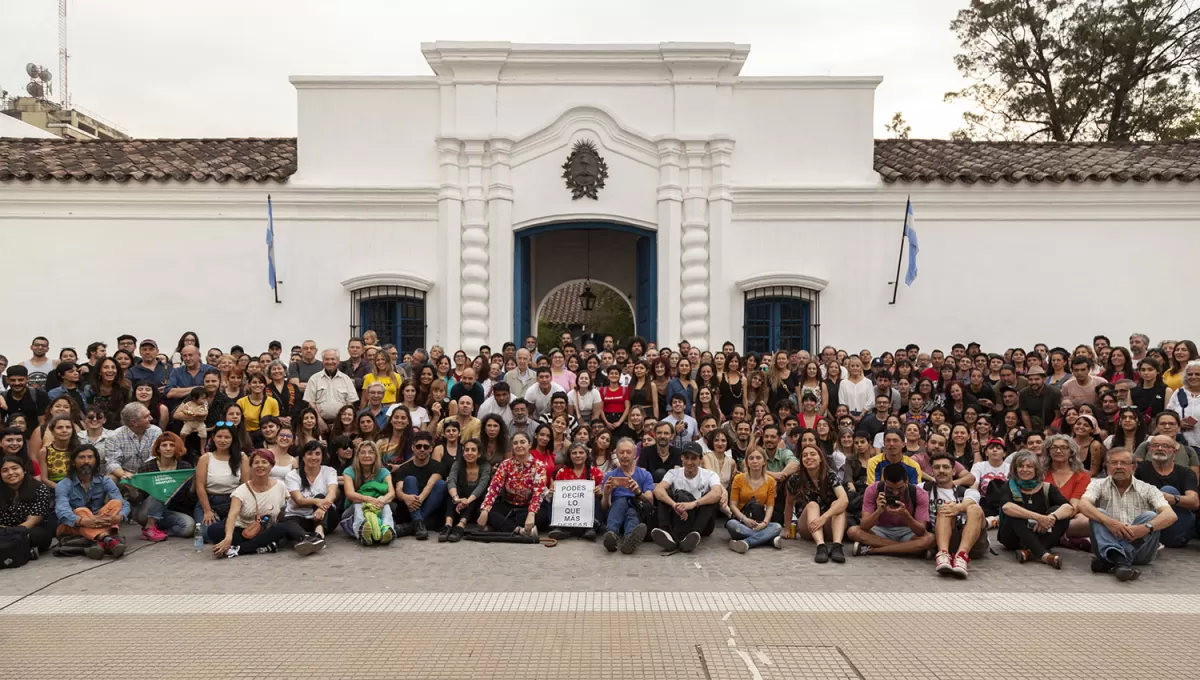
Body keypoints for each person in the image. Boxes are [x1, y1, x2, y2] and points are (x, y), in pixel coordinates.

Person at [1078, 448, 1178, 581]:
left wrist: (1145, 528)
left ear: (1133, 467)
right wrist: (1109, 522)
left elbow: (1170, 515)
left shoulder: (1148, 489)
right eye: (1114, 463)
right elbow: (1083, 504)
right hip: (1107, 544)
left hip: (1140, 550)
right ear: (1107, 466)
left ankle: (1113, 561)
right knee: (1098, 513)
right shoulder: (1098, 485)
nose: (1118, 467)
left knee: (1150, 516)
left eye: (1124, 463)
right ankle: (1120, 562)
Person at [210, 449, 308, 558]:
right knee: (214, 530)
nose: (260, 465)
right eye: (256, 463)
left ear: (271, 466)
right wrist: (228, 538)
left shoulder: (280, 486)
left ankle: (239, 549)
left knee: (281, 528)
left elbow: (281, 513)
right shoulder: (241, 490)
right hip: (242, 530)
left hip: (265, 530)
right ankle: (262, 547)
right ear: (251, 467)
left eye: (264, 462)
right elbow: (232, 515)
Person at [994, 451, 1073, 569]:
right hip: (1013, 537)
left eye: (1029, 466)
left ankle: (1030, 552)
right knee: (1016, 512)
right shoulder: (1009, 486)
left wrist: (1051, 518)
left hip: (1040, 533)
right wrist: (1038, 518)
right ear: (1015, 469)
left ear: (1036, 469)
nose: (1024, 469)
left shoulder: (1047, 487)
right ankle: (1045, 556)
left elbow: (1069, 508)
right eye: (1021, 466)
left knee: (1059, 511)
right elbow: (1007, 507)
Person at [54, 445, 130, 559]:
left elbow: (124, 504)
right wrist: (81, 520)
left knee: (116, 503)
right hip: (73, 526)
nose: (86, 461)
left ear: (96, 461)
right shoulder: (64, 485)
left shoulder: (105, 481)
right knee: (81, 510)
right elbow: (62, 510)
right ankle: (106, 539)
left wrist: (119, 517)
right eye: (81, 457)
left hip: (99, 520)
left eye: (90, 457)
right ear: (74, 462)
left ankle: (99, 543)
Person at [846, 462, 934, 557]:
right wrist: (878, 511)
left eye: (900, 488)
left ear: (907, 481)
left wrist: (906, 515)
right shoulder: (873, 489)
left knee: (930, 538)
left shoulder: (920, 494)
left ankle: (873, 550)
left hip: (908, 531)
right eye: (890, 489)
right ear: (885, 481)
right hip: (880, 530)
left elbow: (921, 531)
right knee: (853, 531)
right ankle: (910, 549)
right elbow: (864, 526)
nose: (895, 493)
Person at [651, 441, 722, 554]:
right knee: (665, 495)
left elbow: (717, 493)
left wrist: (693, 504)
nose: (689, 462)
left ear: (700, 459)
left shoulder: (709, 475)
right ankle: (666, 533)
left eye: (693, 458)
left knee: (710, 499)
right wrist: (674, 505)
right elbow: (658, 490)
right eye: (686, 458)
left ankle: (693, 535)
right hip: (679, 515)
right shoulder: (673, 473)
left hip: (700, 519)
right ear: (681, 458)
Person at [783, 445, 849, 562]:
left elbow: (844, 499)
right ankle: (821, 546)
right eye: (805, 455)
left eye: (813, 454)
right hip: (808, 526)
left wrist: (824, 517)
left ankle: (837, 546)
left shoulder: (830, 475)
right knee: (813, 504)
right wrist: (787, 529)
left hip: (828, 524)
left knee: (837, 504)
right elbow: (789, 504)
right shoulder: (795, 479)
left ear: (820, 458)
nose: (808, 457)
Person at [925, 452, 986, 578]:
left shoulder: (967, 491)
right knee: (945, 508)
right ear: (931, 471)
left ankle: (962, 556)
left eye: (946, 467)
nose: (941, 470)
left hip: (973, 542)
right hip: (943, 537)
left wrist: (957, 507)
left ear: (953, 471)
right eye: (937, 467)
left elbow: (971, 500)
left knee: (974, 508)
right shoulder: (923, 488)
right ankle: (943, 555)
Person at [1134, 434, 1199, 549]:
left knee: (1168, 490)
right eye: (1156, 445)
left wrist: (1173, 499)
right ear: (1149, 450)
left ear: (1174, 452)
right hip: (1146, 523)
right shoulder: (1140, 468)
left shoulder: (1185, 473)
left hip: (1175, 530)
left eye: (1165, 446)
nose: (1160, 449)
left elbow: (1194, 501)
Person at [478, 431, 546, 537]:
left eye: (522, 442)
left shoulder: (538, 466)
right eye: (515, 443)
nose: (519, 446)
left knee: (542, 516)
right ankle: (519, 530)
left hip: (527, 507)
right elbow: (494, 488)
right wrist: (485, 510)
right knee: (486, 511)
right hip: (509, 506)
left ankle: (502, 527)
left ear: (530, 444)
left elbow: (538, 493)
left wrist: (531, 513)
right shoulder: (505, 464)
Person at [132, 432, 196, 542]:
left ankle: (159, 531)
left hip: (169, 513)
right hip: (145, 513)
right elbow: (138, 499)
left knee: (188, 527)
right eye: (164, 445)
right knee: (162, 488)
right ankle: (150, 527)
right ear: (158, 449)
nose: (168, 448)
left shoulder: (184, 467)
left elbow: (187, 499)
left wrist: (194, 482)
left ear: (177, 448)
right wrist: (131, 488)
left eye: (172, 445)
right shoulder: (147, 467)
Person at [283, 440, 340, 554]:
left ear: (322, 456)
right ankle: (306, 539)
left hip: (327, 517)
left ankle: (319, 534)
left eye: (317, 454)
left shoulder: (329, 471)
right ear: (303, 457)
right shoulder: (293, 475)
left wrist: (321, 507)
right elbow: (299, 500)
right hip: (301, 517)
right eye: (309, 454)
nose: (314, 457)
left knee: (320, 495)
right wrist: (317, 502)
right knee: (286, 523)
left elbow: (332, 494)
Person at [193, 423, 248, 542]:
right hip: (210, 501)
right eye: (219, 436)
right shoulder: (205, 458)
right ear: (213, 437)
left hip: (233, 501)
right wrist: (207, 511)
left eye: (227, 437)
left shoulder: (241, 457)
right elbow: (200, 487)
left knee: (236, 529)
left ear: (233, 439)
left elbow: (245, 486)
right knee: (207, 535)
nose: (223, 440)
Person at [600, 437, 653, 554]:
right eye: (621, 452)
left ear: (635, 454)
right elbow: (604, 507)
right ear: (617, 455)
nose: (624, 455)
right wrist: (606, 493)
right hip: (615, 512)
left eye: (628, 452)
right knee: (621, 501)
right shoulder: (609, 476)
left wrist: (638, 492)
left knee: (631, 512)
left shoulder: (645, 475)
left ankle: (629, 538)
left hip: (636, 507)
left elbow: (649, 499)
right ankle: (612, 534)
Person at [725, 447, 783, 553]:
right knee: (731, 524)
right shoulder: (739, 478)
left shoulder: (770, 481)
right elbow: (733, 505)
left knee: (777, 527)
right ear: (747, 461)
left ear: (764, 461)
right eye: (751, 458)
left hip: (760, 522)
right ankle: (768, 539)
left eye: (758, 458)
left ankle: (747, 543)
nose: (755, 461)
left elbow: (770, 506)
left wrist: (765, 523)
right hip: (742, 521)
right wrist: (744, 519)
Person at [391, 431, 447, 540]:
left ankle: (414, 524)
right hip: (408, 509)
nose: (422, 449)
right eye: (418, 446)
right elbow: (398, 490)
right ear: (413, 448)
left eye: (426, 447)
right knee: (410, 480)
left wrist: (418, 500)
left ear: (431, 449)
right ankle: (419, 523)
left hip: (429, 508)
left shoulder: (438, 466)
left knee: (441, 484)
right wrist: (406, 497)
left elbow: (430, 485)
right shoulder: (404, 468)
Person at [340, 440, 397, 546]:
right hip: (351, 515)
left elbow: (391, 493)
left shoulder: (384, 472)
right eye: (363, 452)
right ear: (357, 455)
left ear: (376, 455)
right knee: (358, 502)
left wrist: (381, 500)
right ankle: (362, 531)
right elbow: (350, 494)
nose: (367, 455)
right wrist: (369, 499)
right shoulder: (349, 471)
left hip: (377, 509)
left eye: (370, 452)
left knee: (385, 502)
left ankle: (386, 529)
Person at [0, 455, 56, 557]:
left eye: (15, 468)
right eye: (5, 470)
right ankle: (22, 552)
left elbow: (33, 521)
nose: (11, 473)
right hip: (4, 532)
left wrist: (11, 533)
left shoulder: (39, 488)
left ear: (24, 470)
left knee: (36, 536)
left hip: (30, 530)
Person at [549, 442, 604, 541]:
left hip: (589, 509)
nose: (578, 455)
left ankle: (591, 527)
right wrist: (554, 493)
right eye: (574, 453)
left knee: (597, 501)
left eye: (581, 453)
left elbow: (603, 489)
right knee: (552, 500)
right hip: (568, 508)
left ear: (587, 454)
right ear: (569, 456)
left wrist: (600, 490)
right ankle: (559, 527)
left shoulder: (596, 472)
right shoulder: (562, 472)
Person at [440, 438, 491, 542]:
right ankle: (448, 525)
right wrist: (456, 498)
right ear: (463, 453)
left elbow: (481, 486)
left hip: (475, 505)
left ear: (479, 453)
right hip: (457, 504)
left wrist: (467, 501)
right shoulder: (457, 464)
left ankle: (461, 525)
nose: (469, 453)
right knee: (454, 490)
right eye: (467, 450)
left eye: (473, 450)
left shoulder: (485, 466)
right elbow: (451, 481)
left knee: (472, 491)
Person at [106, 403, 163, 484]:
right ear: (134, 422)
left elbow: (155, 457)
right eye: (146, 416)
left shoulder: (156, 431)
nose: (151, 418)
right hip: (125, 475)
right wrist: (124, 474)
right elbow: (112, 462)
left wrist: (138, 476)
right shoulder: (114, 436)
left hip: (149, 472)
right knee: (110, 479)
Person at [303, 350, 358, 424]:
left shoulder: (346, 379)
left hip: (341, 423)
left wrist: (340, 422)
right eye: (327, 359)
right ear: (323, 361)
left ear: (338, 361)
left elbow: (350, 403)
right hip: (319, 423)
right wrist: (320, 422)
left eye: (333, 359)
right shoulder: (314, 379)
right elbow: (311, 403)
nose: (330, 362)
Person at [1165, 360, 1200, 451]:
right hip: (1182, 445)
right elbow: (1167, 416)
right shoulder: (1179, 393)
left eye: (1197, 374)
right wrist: (1179, 424)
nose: (1193, 377)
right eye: (1190, 374)